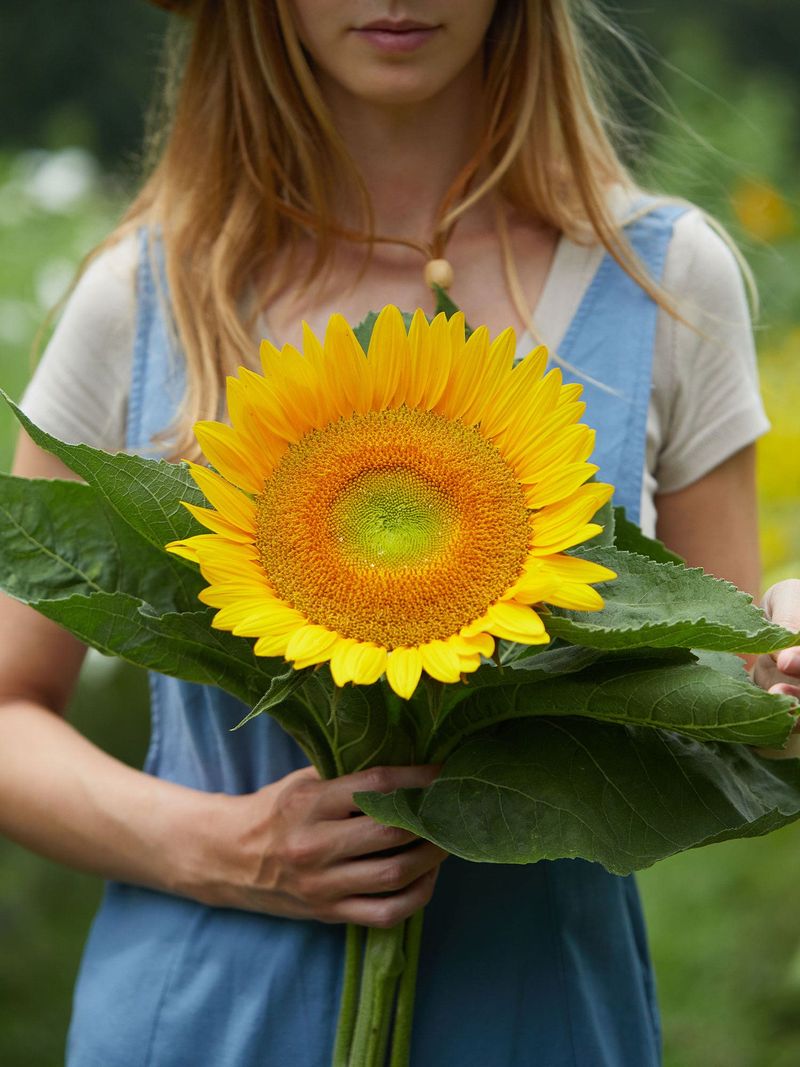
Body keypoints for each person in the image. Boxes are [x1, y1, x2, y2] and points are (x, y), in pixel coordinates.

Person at [1, 1, 799, 1064]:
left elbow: (718, 691)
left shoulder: (658, 279)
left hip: (529, 1019)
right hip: (206, 1015)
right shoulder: (146, 294)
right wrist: (220, 845)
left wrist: (779, 662)